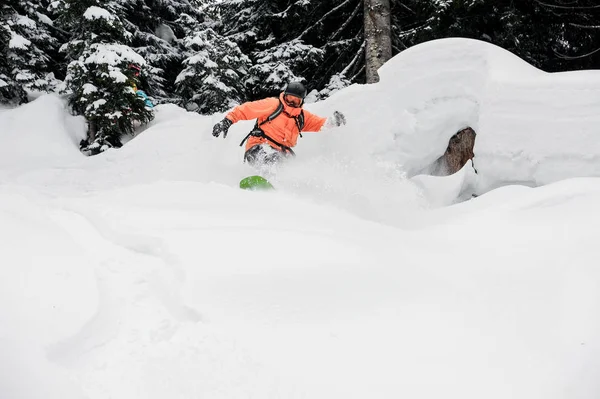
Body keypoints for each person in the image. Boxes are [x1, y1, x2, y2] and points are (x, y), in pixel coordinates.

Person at [212, 81, 346, 167]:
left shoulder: (301, 117)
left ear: (302, 102)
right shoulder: (273, 105)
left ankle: (282, 189)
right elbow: (245, 109)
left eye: (296, 101)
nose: (292, 103)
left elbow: (321, 124)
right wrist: (227, 121)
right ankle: (266, 178)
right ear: (285, 95)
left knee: (287, 165)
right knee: (272, 159)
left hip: (282, 153)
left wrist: (335, 122)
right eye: (289, 99)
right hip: (259, 146)